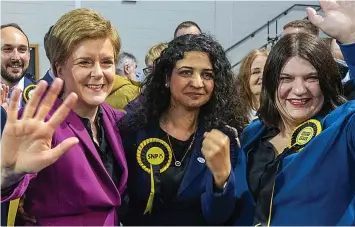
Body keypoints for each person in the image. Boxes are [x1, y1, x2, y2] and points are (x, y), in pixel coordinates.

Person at [235, 0, 355, 225]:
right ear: (272, 83)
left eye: (311, 78)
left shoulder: (345, 129)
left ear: (326, 81)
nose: (299, 89)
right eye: (286, 78)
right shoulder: (252, 136)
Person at [1, 8, 128, 226]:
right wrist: (8, 175)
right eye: (85, 62)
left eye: (107, 62)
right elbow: (11, 182)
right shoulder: (36, 121)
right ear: (59, 69)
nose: (98, 72)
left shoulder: (118, 120)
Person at [118, 33, 246, 225]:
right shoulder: (134, 130)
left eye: (207, 75)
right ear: (167, 78)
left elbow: (219, 216)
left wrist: (222, 178)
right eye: (186, 72)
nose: (197, 83)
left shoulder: (223, 139)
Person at [1, 23, 36, 110]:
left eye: (22, 50)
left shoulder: (44, 97)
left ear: (29, 55)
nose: (16, 57)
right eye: (7, 49)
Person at [236, 48, 269, 123]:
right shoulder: (237, 118)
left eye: (267, 71)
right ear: (246, 79)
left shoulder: (285, 114)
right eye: (256, 72)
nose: (262, 76)